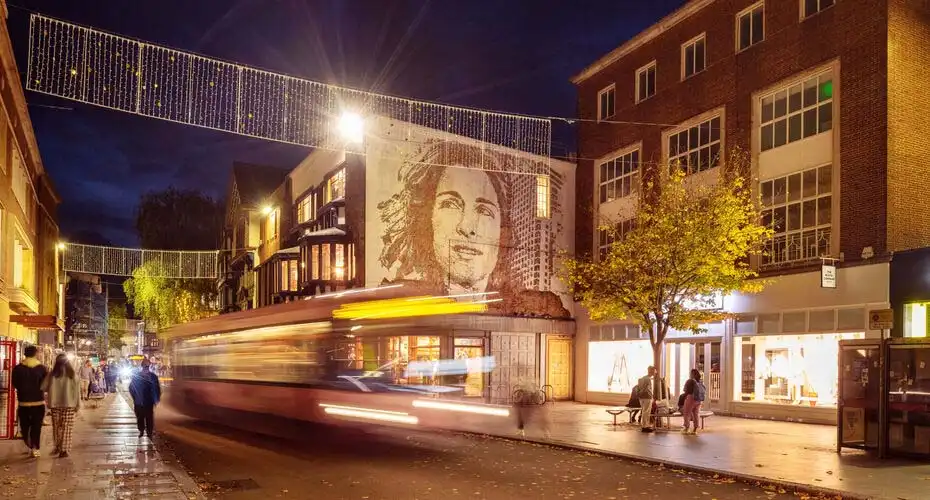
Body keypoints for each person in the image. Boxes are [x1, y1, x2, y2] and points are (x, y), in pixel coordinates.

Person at [376, 139, 570, 318]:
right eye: (451, 205)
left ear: (503, 232)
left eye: (484, 210)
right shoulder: (396, 296)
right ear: (427, 219)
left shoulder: (543, 305)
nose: (467, 227)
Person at [11, 345, 48, 457]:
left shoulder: (17, 368)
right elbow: (45, 385)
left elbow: (14, 384)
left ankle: (29, 444)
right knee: (37, 426)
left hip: (23, 403)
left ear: (24, 354)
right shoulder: (41, 368)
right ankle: (35, 447)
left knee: (25, 426)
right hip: (38, 403)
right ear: (36, 354)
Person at [43, 354, 81, 457]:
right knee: (67, 427)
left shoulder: (52, 374)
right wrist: (78, 405)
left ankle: (58, 447)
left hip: (55, 404)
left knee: (57, 426)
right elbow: (78, 392)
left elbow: (43, 387)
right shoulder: (73, 375)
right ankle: (64, 450)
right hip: (69, 404)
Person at [129, 358, 161, 439]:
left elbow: (157, 388)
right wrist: (135, 398)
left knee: (149, 417)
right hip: (139, 401)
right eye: (144, 366)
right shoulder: (137, 376)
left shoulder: (153, 377)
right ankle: (141, 430)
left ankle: (149, 432)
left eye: (147, 367)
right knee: (140, 417)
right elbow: (131, 388)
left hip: (148, 401)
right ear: (142, 366)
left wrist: (156, 399)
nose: (146, 368)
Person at [681, 368, 706, 435]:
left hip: (690, 398)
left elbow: (685, 390)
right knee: (696, 414)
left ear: (692, 374)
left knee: (687, 413)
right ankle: (695, 430)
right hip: (699, 400)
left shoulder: (689, 381)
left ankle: (687, 428)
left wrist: (685, 397)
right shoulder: (700, 381)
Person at [636, 366, 657, 432]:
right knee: (646, 412)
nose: (655, 372)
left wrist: (639, 394)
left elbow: (639, 388)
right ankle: (645, 427)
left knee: (644, 411)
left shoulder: (642, 378)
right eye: (654, 371)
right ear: (652, 371)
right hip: (647, 397)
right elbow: (646, 388)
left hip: (641, 397)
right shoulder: (648, 379)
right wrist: (652, 396)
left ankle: (645, 425)